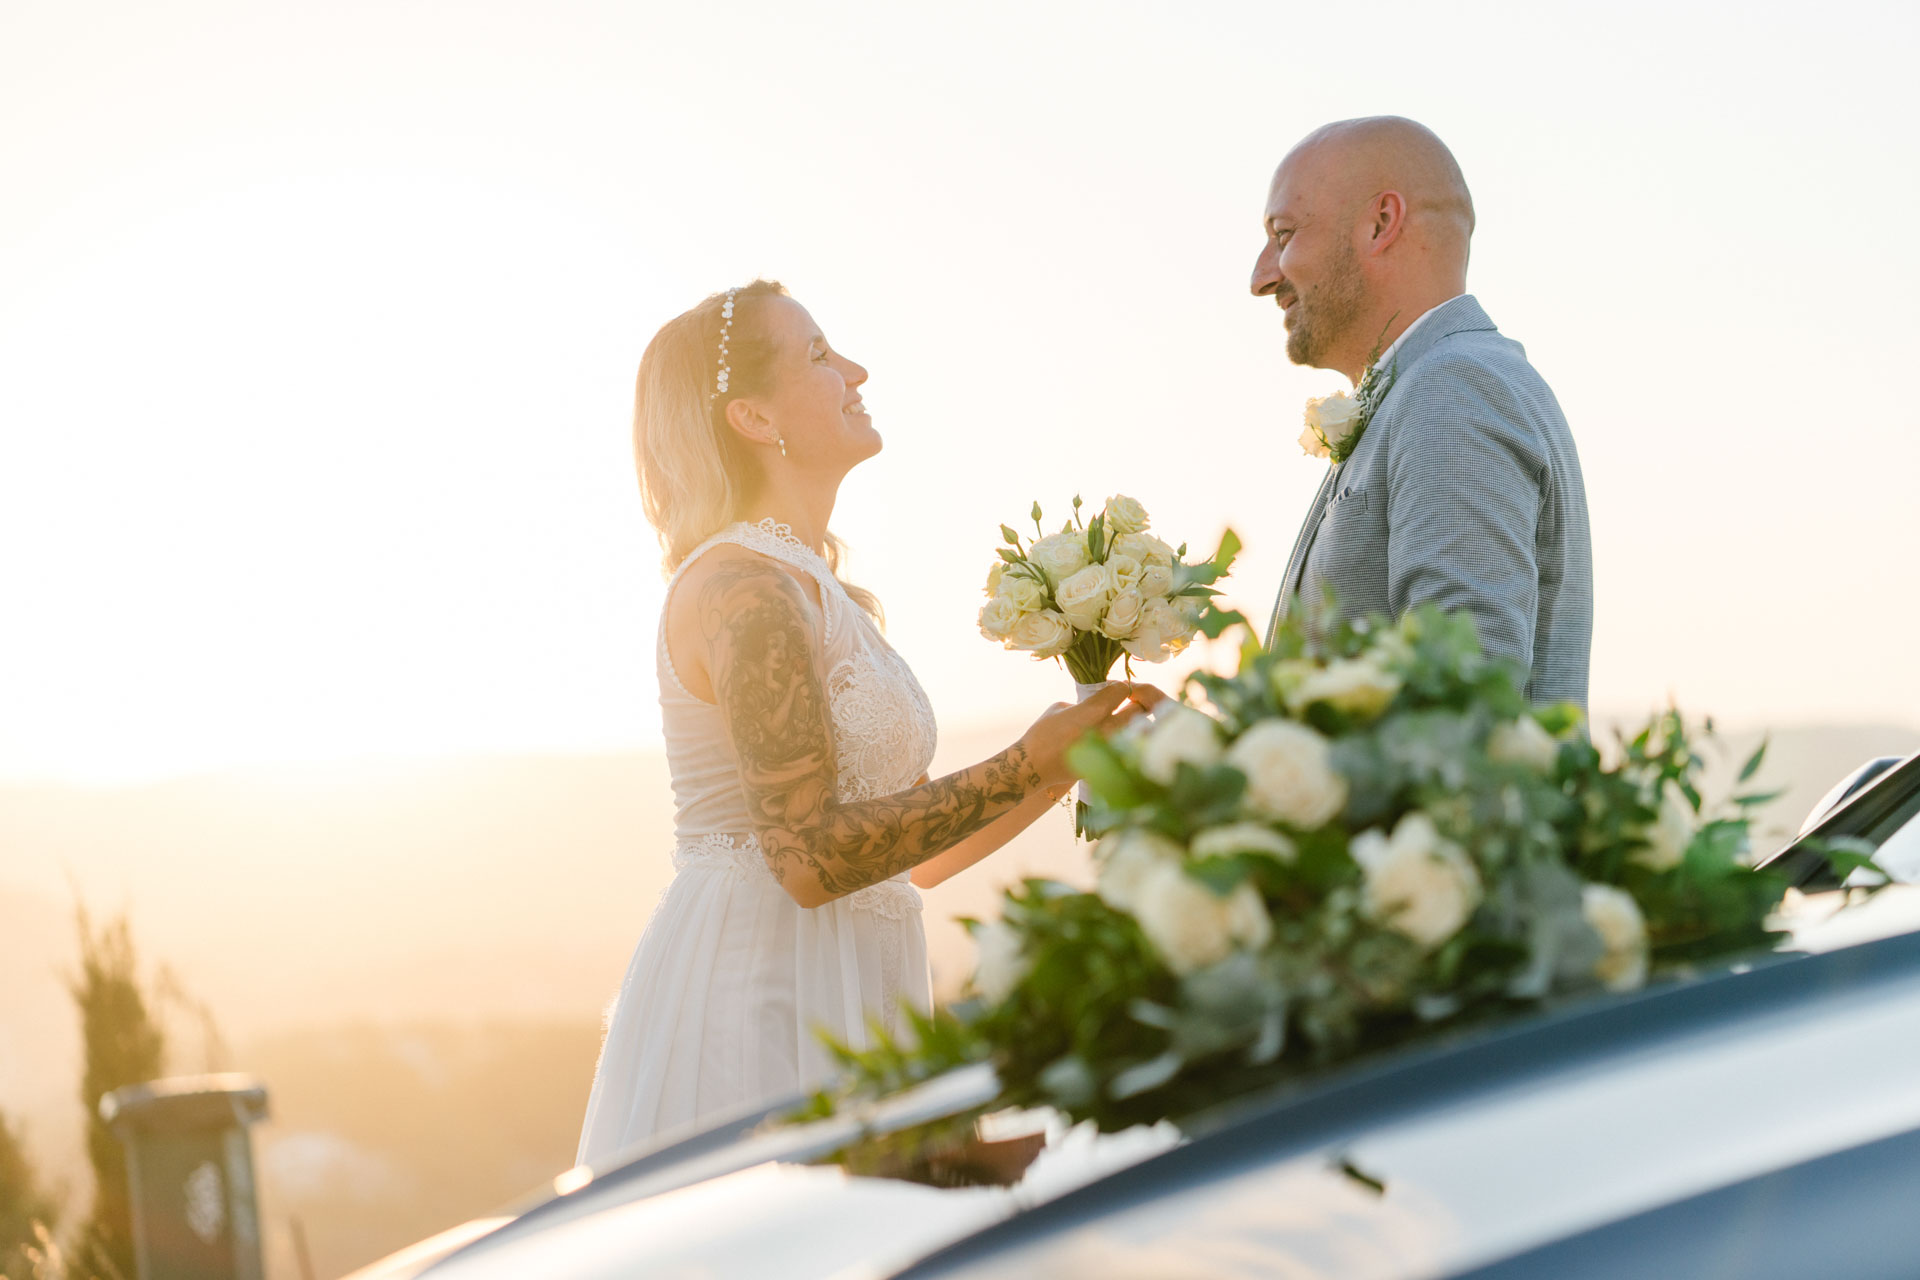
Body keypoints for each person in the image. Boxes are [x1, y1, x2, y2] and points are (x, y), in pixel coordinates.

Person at [575, 279, 1158, 1166]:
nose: (855, 370)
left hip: (850, 977)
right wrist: (1021, 759)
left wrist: (1058, 765)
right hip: (761, 996)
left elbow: (916, 856)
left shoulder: (812, 586)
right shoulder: (746, 588)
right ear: (753, 418)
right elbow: (809, 859)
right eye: (818, 355)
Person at [1251, 116, 1592, 710]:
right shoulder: (1424, 387)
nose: (1261, 278)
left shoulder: (1455, 390)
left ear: (1381, 223)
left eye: (1283, 235)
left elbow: (1461, 721)